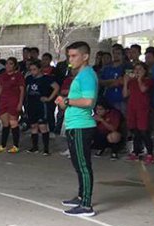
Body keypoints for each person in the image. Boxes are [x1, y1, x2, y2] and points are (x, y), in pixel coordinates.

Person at [56, 41, 98, 217]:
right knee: (78, 164)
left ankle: (86, 205)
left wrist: (66, 101)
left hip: (82, 126)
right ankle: (81, 196)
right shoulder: (80, 75)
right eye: (69, 56)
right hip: (75, 124)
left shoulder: (87, 75)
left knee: (83, 165)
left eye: (74, 56)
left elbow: (88, 102)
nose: (70, 59)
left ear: (85, 56)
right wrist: (64, 103)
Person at [24, 61, 60, 155]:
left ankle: (46, 149)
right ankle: (35, 147)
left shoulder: (46, 79)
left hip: (41, 105)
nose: (32, 72)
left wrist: (49, 98)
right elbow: (26, 90)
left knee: (43, 126)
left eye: (34, 69)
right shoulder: (29, 78)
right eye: (31, 70)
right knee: (33, 126)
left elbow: (56, 87)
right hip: (31, 104)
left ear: (40, 69)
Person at [123, 62, 154, 164]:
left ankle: (150, 153)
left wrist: (139, 79)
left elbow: (143, 89)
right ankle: (136, 151)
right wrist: (125, 82)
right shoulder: (132, 82)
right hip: (132, 108)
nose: (137, 71)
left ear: (145, 71)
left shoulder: (148, 81)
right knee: (135, 131)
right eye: (136, 69)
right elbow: (125, 94)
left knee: (144, 131)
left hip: (143, 109)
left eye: (140, 69)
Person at [0, 58, 25, 154]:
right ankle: (3, 145)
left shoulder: (18, 76)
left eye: (11, 64)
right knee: (5, 124)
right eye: (7, 64)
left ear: (14, 65)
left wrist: (20, 103)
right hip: (3, 101)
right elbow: (1, 89)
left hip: (13, 101)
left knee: (13, 122)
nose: (8, 66)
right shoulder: (2, 76)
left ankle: (16, 146)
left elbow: (22, 90)